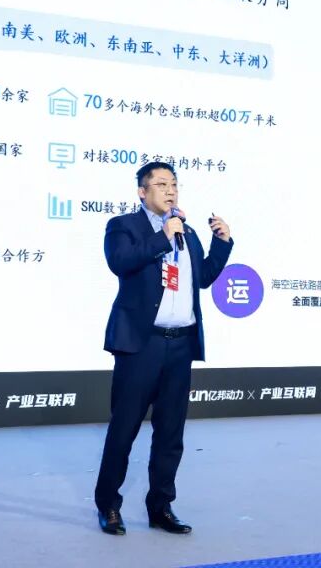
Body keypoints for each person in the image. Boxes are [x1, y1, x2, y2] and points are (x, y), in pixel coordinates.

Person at [94, 162, 233, 536]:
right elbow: (120, 262)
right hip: (142, 345)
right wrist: (162, 236)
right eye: (161, 184)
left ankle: (161, 507)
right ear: (142, 192)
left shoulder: (187, 231)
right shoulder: (124, 226)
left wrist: (222, 244)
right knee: (124, 429)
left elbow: (203, 278)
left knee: (170, 434)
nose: (170, 190)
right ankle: (108, 505)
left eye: (174, 184)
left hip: (180, 345)